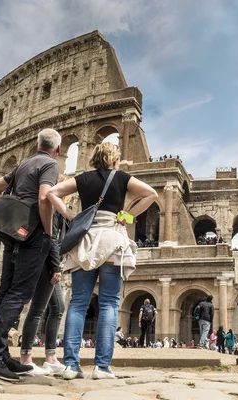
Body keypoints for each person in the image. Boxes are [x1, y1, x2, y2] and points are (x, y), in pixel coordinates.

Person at [47, 141, 157, 380]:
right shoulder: (121, 178)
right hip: (112, 239)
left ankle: (71, 366)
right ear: (115, 160)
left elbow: (52, 193)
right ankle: (101, 367)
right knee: (109, 304)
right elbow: (151, 194)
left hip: (86, 239)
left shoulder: (83, 179)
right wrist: (128, 216)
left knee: (77, 304)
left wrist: (68, 214)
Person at [0, 129, 62, 382]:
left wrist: (10, 209)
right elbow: (45, 198)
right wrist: (46, 230)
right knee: (20, 293)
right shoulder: (50, 164)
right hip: (32, 234)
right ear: (57, 148)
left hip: (12, 234)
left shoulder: (23, 164)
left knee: (6, 291)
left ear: (36, 143)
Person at [19, 178, 69, 375]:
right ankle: (25, 359)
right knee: (38, 310)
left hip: (45, 261)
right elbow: (52, 239)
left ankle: (50, 358)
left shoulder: (51, 206)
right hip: (45, 263)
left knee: (57, 308)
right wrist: (56, 266)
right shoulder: (52, 206)